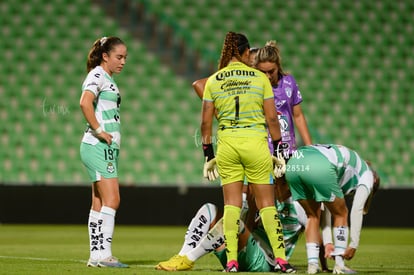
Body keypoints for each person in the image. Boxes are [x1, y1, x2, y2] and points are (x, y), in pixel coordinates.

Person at [200, 31, 294, 273]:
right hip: (256, 144)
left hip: (228, 146)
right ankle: (282, 261)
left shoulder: (215, 80)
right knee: (267, 205)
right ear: (244, 53)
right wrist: (280, 148)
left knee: (231, 205)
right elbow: (272, 118)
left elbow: (205, 123)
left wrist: (209, 155)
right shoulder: (259, 78)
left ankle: (231, 262)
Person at [285, 144, 381, 274]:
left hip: (294, 163)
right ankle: (340, 266)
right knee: (342, 213)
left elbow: (327, 207)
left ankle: (312, 266)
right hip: (318, 164)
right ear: (375, 181)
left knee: (312, 216)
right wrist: (353, 244)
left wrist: (328, 242)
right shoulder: (368, 175)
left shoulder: (347, 167)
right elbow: (357, 209)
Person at [79, 36, 128, 268]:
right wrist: (99, 130)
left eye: (125, 57)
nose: (123, 61)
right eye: (119, 57)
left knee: (98, 202)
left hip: (102, 147)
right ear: (105, 56)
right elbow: (84, 103)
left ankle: (96, 256)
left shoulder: (107, 78)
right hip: (98, 146)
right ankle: (105, 255)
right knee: (113, 199)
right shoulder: (97, 75)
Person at [253, 40, 312, 158]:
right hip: (263, 152)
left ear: (278, 66)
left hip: (287, 150)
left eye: (271, 71)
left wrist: (309, 146)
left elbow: (298, 115)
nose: (267, 76)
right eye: (263, 72)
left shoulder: (289, 81)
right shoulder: (253, 86)